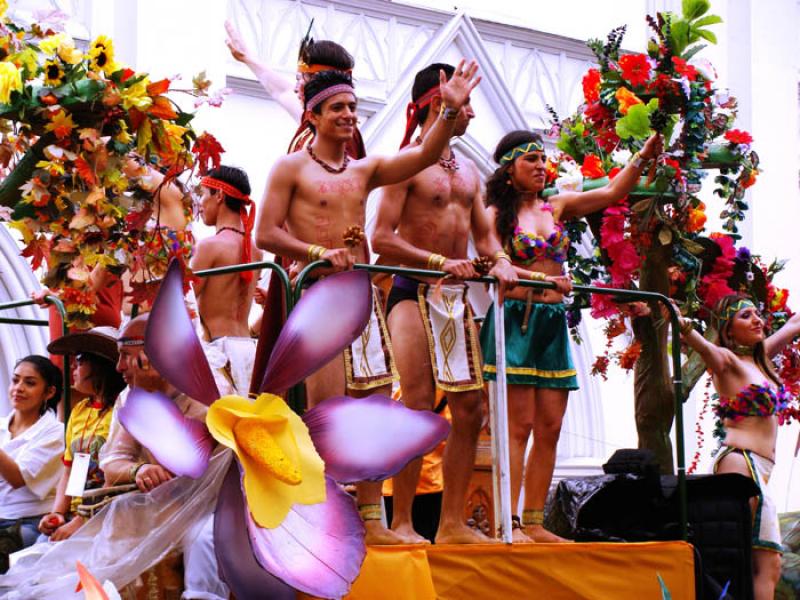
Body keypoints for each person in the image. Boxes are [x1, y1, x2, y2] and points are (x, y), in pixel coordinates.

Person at [256, 63, 481, 544]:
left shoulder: (366, 169)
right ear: (313, 116)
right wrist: (318, 253)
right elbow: (266, 232)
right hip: (319, 296)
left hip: (362, 298)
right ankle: (326, 521)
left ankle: (373, 522)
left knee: (377, 407)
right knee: (331, 410)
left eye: (353, 108)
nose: (348, 115)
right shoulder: (290, 168)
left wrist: (447, 110)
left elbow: (425, 154)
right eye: (337, 107)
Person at [477, 130, 663, 542]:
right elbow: (490, 259)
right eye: (531, 161)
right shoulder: (493, 215)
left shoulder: (556, 205)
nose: (541, 167)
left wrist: (642, 155)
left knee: (550, 425)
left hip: (551, 323)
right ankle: (508, 522)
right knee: (519, 425)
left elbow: (614, 192)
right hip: (515, 320)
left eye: (543, 160)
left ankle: (534, 521)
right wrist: (546, 279)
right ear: (510, 170)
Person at [370, 63, 517, 544]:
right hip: (412, 290)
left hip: (452, 300)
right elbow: (380, 239)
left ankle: (452, 524)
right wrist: (436, 261)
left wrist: (499, 260)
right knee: (415, 403)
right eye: (465, 100)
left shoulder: (470, 170)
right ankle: (403, 522)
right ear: (439, 101)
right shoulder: (408, 163)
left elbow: (484, 234)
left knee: (469, 408)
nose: (472, 111)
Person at [98, 314, 228, 599]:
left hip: (212, 507)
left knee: (203, 540)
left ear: (154, 354)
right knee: (114, 526)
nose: (118, 366)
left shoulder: (209, 392)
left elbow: (189, 469)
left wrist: (152, 392)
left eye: (124, 356)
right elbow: (112, 462)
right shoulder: (129, 395)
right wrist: (138, 471)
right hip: (159, 506)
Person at [678, 295, 800, 600]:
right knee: (764, 561)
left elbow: (795, 324)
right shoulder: (726, 361)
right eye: (746, 316)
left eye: (757, 313)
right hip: (740, 464)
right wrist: (683, 325)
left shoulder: (760, 360)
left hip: (760, 468)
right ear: (729, 330)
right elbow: (703, 348)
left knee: (764, 563)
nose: (757, 319)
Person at [37, 327, 126, 542]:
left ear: (100, 366)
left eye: (80, 360)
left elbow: (118, 483)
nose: (74, 367)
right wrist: (58, 513)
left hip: (106, 514)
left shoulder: (123, 410)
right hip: (76, 514)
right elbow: (71, 470)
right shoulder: (79, 410)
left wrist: (81, 521)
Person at [191, 165, 261, 396]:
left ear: (219, 196)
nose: (200, 203)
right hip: (249, 349)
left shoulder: (209, 246)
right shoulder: (255, 249)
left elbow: (187, 301)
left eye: (202, 194)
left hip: (218, 354)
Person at [0, 356, 64, 556]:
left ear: (49, 392)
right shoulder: (2, 425)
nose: (18, 388)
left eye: (29, 383)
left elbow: (17, 478)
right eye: (15, 380)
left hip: (28, 522)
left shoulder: (54, 432)